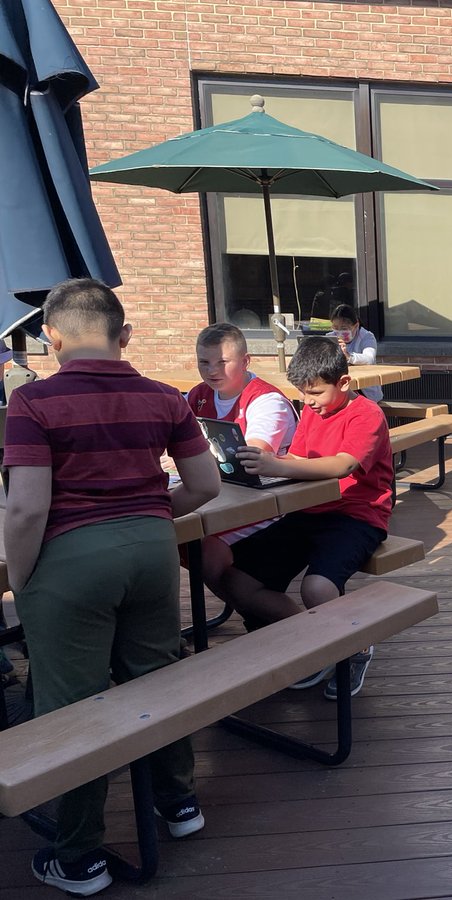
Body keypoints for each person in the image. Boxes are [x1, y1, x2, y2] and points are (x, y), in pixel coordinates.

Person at [3, 278, 220, 896]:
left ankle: (80, 857)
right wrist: (148, 512)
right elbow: (203, 486)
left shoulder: (33, 403)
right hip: (154, 552)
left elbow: (24, 511)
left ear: (52, 336)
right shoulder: (164, 397)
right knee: (159, 676)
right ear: (123, 334)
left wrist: (22, 580)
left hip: (70, 561)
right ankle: (179, 805)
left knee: (73, 708)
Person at [223, 336, 393, 700]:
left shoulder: (366, 414)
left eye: (315, 393)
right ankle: (315, 641)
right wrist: (264, 468)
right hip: (308, 511)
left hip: (357, 515)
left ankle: (355, 648)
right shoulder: (313, 412)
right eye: (302, 394)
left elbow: (343, 464)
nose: (308, 402)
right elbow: (299, 459)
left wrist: (275, 464)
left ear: (344, 383)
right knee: (238, 579)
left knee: (317, 587)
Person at [187, 323, 298, 612]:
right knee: (174, 539)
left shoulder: (267, 400)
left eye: (222, 362)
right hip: (224, 494)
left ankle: (257, 609)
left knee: (203, 549)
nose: (212, 371)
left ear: (246, 361)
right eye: (204, 362)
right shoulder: (196, 395)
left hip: (273, 499)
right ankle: (251, 606)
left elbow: (253, 457)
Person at [329, 303, 383, 402]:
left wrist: (348, 356)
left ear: (356, 325)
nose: (339, 332)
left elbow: (369, 359)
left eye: (344, 328)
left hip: (365, 390)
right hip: (341, 387)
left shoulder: (366, 336)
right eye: (335, 328)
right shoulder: (331, 337)